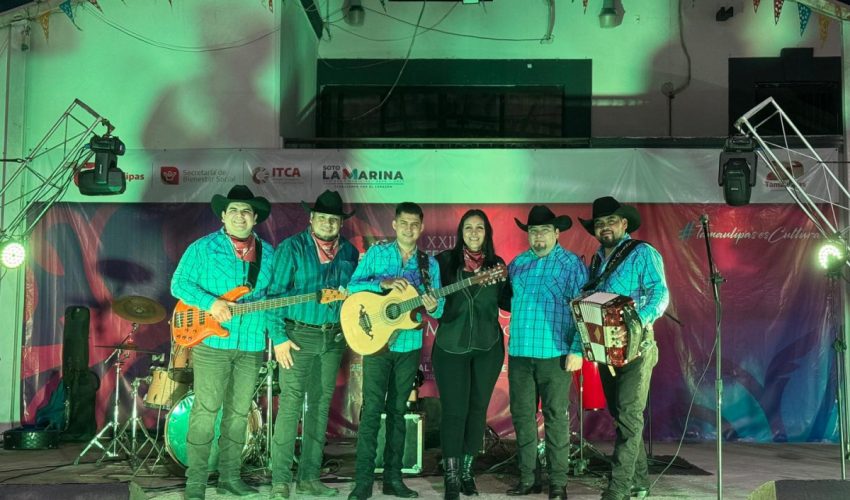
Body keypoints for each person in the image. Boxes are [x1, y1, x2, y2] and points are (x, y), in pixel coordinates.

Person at [170, 185, 274, 500]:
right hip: (212, 344)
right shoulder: (202, 248)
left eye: (246, 211)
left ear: (255, 217)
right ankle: (196, 484)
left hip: (252, 343)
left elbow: (274, 297)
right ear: (223, 216)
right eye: (234, 211)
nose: (240, 216)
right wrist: (210, 303)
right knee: (205, 410)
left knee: (239, 413)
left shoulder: (269, 254)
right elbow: (178, 283)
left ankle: (230, 478)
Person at [347, 202, 445, 500]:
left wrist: (433, 305)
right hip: (376, 342)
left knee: (399, 411)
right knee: (372, 410)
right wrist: (383, 283)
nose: (409, 228)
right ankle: (362, 482)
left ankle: (393, 478)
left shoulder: (430, 265)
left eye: (415, 224)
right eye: (404, 223)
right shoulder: (377, 254)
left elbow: (438, 308)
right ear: (394, 225)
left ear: (422, 227)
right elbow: (352, 287)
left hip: (408, 346)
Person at [268, 190, 360, 499]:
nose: (328, 224)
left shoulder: (349, 252)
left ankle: (308, 478)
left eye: (333, 219)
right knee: (291, 407)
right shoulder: (291, 249)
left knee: (320, 409)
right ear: (311, 219)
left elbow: (353, 298)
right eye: (322, 218)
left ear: (340, 223)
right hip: (297, 336)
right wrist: (278, 338)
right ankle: (280, 481)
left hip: (332, 338)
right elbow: (274, 296)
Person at [577, 197, 669, 500]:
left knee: (629, 417)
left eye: (611, 221)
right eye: (600, 223)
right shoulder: (597, 260)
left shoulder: (643, 253)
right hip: (608, 351)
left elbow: (660, 293)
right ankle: (640, 482)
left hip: (637, 347)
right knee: (623, 417)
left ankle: (617, 491)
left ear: (624, 224)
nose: (605, 227)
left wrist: (637, 323)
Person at [505, 205, 588, 500]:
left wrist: (577, 349)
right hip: (519, 353)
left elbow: (582, 311)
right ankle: (528, 479)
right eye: (533, 231)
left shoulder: (571, 265)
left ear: (556, 233)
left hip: (555, 354)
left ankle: (558, 483)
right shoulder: (516, 265)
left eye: (543, 231)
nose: (538, 237)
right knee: (522, 417)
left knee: (556, 417)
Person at [433, 209, 508, 499]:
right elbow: (432, 302)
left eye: (479, 228)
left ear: (487, 233)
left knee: (477, 412)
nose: (474, 233)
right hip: (450, 348)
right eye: (468, 228)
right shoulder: (444, 262)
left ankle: (466, 472)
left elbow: (507, 301)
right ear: (460, 232)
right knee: (454, 412)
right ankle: (451, 477)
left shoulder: (497, 265)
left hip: (487, 348)